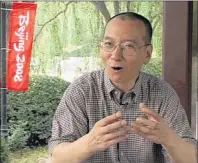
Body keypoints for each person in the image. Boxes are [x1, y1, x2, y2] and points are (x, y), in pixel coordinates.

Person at [49, 12, 197, 163]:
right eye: (108, 44)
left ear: (147, 54)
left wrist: (170, 140)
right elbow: (57, 158)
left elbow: (191, 159)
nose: (115, 55)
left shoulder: (162, 94)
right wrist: (89, 143)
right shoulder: (81, 90)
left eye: (128, 46)